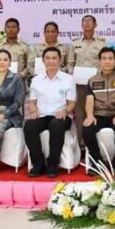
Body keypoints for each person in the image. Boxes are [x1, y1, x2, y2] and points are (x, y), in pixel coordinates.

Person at [24, 47, 76, 178]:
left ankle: (53, 164)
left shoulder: (68, 79)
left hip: (61, 116)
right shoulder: (36, 80)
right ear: (43, 60)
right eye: (48, 58)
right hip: (42, 115)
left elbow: (72, 103)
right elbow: (32, 101)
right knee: (29, 126)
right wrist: (33, 111)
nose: (51, 61)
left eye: (54, 58)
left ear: (60, 60)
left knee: (56, 125)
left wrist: (65, 111)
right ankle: (38, 164)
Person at [83, 47, 115, 172]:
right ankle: (97, 163)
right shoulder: (92, 80)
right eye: (104, 58)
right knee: (87, 129)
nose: (107, 61)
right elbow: (89, 99)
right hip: (99, 115)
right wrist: (90, 115)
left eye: (110, 58)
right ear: (99, 61)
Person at [70, 15, 106, 147]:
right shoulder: (75, 43)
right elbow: (70, 63)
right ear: (81, 25)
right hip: (79, 83)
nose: (87, 24)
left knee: (95, 111)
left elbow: (104, 62)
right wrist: (73, 74)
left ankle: (93, 142)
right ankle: (80, 142)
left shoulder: (102, 43)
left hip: (96, 83)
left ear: (95, 25)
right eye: (84, 21)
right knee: (80, 112)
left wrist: (98, 76)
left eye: (90, 21)